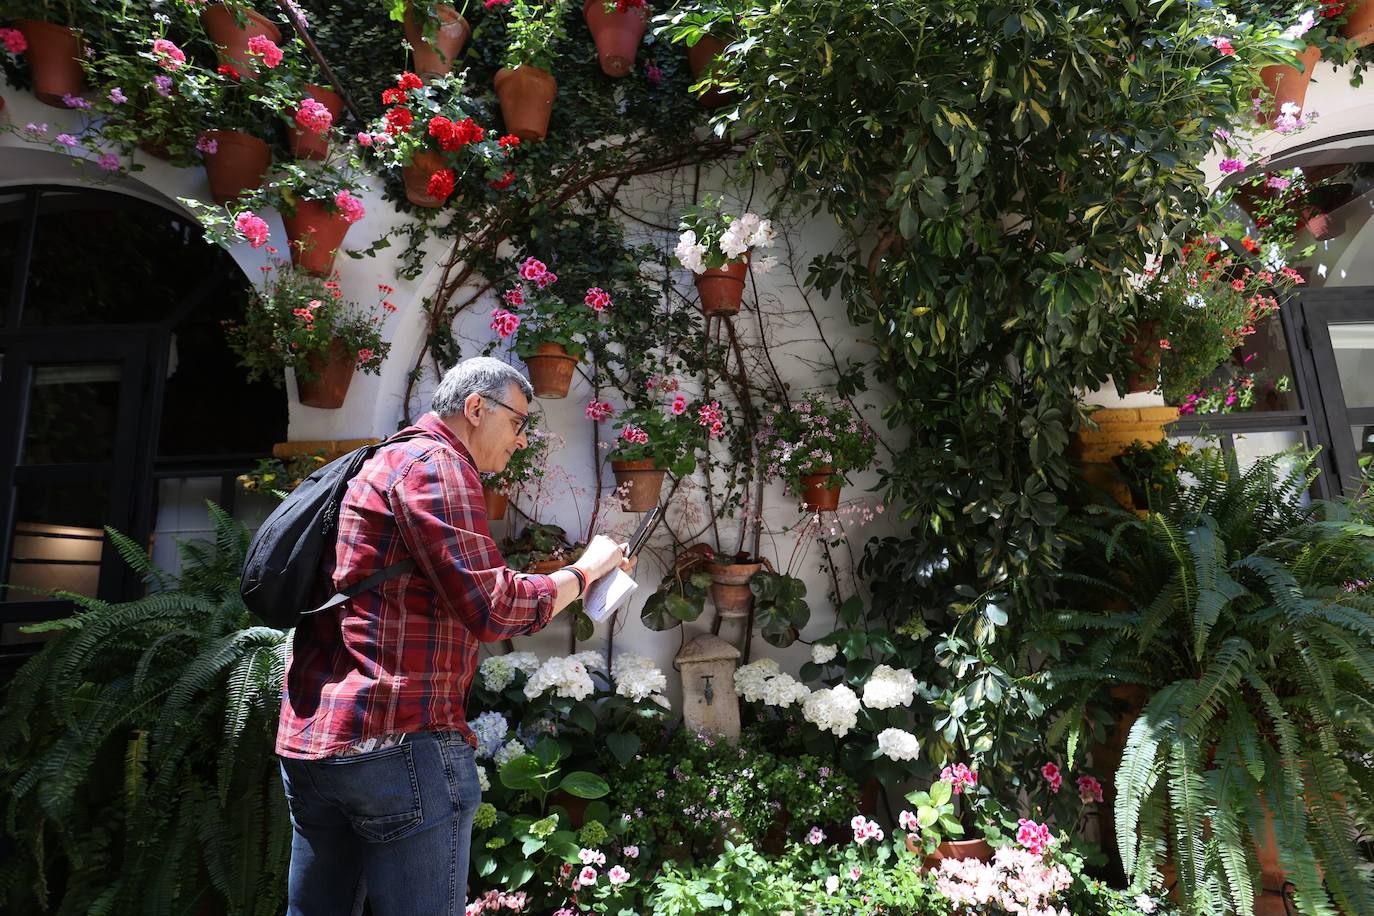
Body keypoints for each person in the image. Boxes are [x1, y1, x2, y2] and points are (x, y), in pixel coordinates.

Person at [275, 357, 632, 916]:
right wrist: (586, 570)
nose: (519, 441)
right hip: (396, 738)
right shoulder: (437, 465)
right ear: (475, 408)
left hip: (316, 743)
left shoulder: (380, 462)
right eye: (517, 423)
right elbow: (496, 608)